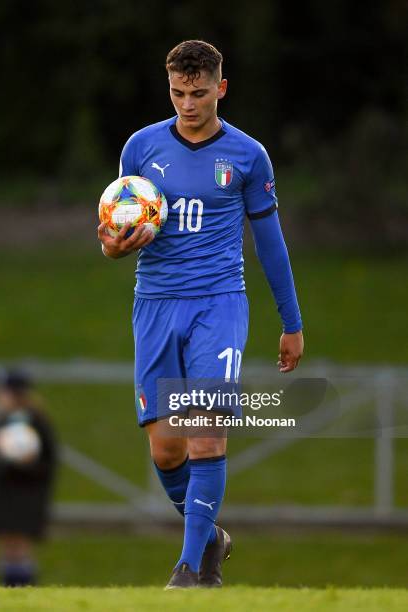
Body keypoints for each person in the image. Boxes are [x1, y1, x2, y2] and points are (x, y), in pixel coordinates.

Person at [97, 40, 304, 589]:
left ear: (221, 88)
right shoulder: (140, 147)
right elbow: (116, 232)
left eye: (199, 93)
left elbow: (271, 244)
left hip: (219, 304)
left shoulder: (247, 155)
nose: (188, 104)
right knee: (166, 449)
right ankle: (209, 536)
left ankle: (189, 571)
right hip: (156, 304)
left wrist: (292, 322)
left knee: (205, 434)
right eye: (178, 93)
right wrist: (114, 248)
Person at [0, 369, 57, 587]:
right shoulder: (2, 421)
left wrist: (26, 462)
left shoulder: (35, 422)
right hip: (3, 493)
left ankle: (24, 585)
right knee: (6, 543)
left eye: (2, 392)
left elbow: (47, 461)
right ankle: (7, 586)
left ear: (15, 394)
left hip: (24, 495)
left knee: (20, 543)